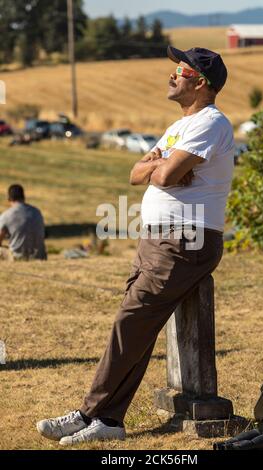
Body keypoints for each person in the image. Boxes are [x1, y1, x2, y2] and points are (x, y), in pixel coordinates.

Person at [36, 46, 235, 445]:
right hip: (159, 238)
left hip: (185, 240)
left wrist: (161, 168)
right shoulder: (180, 126)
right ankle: (106, 417)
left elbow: (163, 176)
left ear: (201, 82)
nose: (171, 76)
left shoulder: (210, 123)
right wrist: (159, 168)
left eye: (179, 70)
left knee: (130, 320)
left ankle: (94, 414)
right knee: (136, 326)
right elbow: (137, 173)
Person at [0, 184, 47, 261]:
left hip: (17, 257)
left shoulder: (6, 215)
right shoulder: (37, 212)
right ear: (24, 197)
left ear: (9, 198)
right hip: (40, 256)